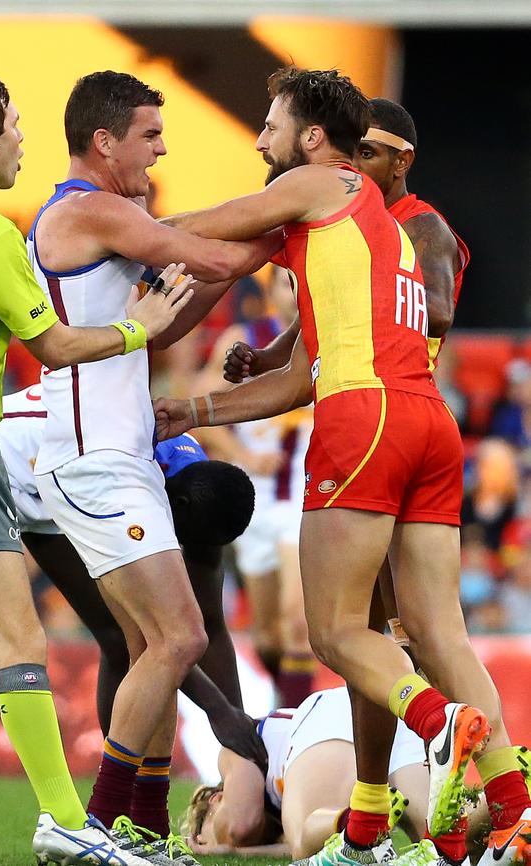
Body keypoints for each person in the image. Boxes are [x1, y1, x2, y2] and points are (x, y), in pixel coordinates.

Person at [154, 67, 531, 866]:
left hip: (364, 420)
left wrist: (111, 230)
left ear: (316, 138)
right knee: (439, 629)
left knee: (333, 632)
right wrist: (196, 411)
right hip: (427, 420)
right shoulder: (383, 227)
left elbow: (214, 227)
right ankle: (511, 808)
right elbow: (298, 377)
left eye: (269, 124)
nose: (259, 139)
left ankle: (437, 724)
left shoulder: (322, 182)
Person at [0, 72, 194, 866]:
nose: (23, 137)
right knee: (17, 640)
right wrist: (135, 329)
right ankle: (65, 820)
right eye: (14, 124)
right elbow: (53, 349)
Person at [28, 69, 280, 847]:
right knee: (179, 637)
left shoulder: (104, 218)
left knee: (149, 645)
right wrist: (288, 219)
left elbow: (166, 321)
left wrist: (256, 247)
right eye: (149, 135)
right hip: (94, 460)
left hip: (113, 454)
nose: (161, 150)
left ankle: (135, 827)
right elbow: (202, 258)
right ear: (103, 142)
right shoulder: (92, 208)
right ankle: (97, 824)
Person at [195, 266, 316, 705]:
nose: (299, 291)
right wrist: (244, 456)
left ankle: (290, 729)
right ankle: (286, 706)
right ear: (271, 291)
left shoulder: (330, 339)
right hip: (255, 496)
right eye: (289, 282)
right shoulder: (243, 340)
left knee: (297, 621)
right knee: (267, 635)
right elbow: (201, 406)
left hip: (306, 494)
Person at [186, 686, 427, 859]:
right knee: (440, 836)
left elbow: (240, 825)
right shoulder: (293, 812)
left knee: (304, 843)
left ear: (215, 800)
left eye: (205, 838)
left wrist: (226, 847)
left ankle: (367, 818)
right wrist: (239, 853)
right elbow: (291, 849)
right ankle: (462, 819)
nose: (213, 846)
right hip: (379, 719)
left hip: (329, 723)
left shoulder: (231, 753)